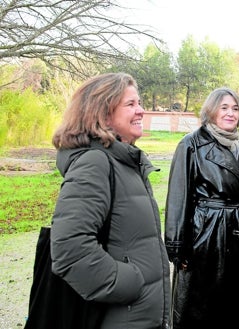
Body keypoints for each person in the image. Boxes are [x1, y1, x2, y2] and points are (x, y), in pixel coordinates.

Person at [50, 72, 170, 329]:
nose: (141, 110)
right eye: (130, 104)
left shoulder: (125, 161)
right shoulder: (95, 162)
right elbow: (69, 249)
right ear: (102, 114)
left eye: (139, 103)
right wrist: (131, 283)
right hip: (121, 317)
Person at [165, 87, 239, 329]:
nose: (231, 113)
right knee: (201, 311)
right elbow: (178, 196)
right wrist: (178, 247)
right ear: (211, 111)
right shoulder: (191, 145)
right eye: (224, 107)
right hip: (207, 238)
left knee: (236, 308)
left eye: (236, 108)